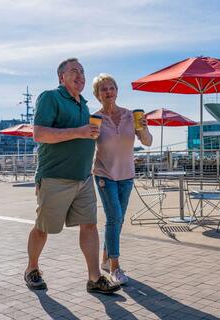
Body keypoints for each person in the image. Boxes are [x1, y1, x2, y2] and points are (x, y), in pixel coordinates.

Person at [24, 58, 120, 295]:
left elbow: (85, 137)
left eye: (83, 72)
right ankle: (32, 268)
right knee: (43, 228)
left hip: (84, 178)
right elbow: (40, 134)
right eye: (74, 71)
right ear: (61, 77)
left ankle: (94, 278)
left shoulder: (84, 104)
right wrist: (80, 131)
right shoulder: (50, 97)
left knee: (89, 226)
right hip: (55, 177)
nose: (80, 76)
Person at [92, 73, 152, 285]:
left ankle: (106, 259)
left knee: (118, 219)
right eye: (103, 89)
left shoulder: (129, 116)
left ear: (116, 91)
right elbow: (85, 144)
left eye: (111, 88)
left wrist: (143, 127)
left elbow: (147, 142)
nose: (108, 92)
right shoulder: (95, 118)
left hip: (127, 175)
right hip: (103, 174)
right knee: (114, 217)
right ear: (97, 94)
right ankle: (115, 268)